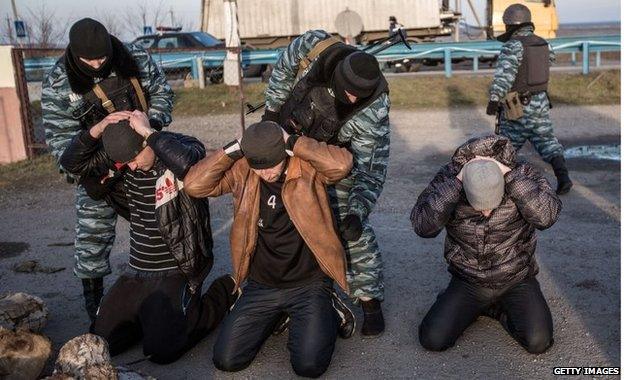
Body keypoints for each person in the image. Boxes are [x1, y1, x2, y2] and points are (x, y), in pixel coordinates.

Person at [59, 110, 237, 364]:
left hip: (176, 271)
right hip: (137, 272)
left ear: (147, 140)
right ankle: (150, 317)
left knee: (164, 350)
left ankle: (226, 290)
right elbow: (71, 164)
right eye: (125, 163)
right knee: (101, 342)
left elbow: (189, 162)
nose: (130, 167)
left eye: (134, 158)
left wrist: (148, 132)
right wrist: (97, 129)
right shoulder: (124, 161)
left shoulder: (181, 147)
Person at [183, 121, 355, 377]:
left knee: (308, 366)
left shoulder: (305, 166)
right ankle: (278, 316)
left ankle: (329, 306)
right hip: (262, 286)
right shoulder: (244, 170)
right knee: (227, 360)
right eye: (259, 167)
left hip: (308, 284)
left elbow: (342, 164)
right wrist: (233, 149)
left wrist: (294, 142)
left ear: (283, 153)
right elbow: (194, 185)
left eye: (272, 165)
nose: (266, 173)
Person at [42, 18, 174, 323]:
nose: (97, 64)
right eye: (88, 60)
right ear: (74, 55)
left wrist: (147, 127)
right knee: (91, 237)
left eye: (102, 57)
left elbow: (163, 95)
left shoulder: (134, 57)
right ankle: (96, 306)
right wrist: (90, 168)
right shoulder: (58, 82)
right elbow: (63, 148)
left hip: (143, 155)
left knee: (166, 224)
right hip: (97, 169)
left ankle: (175, 287)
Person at [262, 29, 390, 336]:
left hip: (331, 156)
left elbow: (370, 168)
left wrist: (359, 210)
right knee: (275, 217)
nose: (354, 98)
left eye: (361, 94)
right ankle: (282, 294)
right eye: (349, 92)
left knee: (349, 226)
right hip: (284, 134)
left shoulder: (372, 109)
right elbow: (282, 70)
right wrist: (271, 113)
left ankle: (370, 301)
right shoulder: (315, 46)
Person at [411, 135, 561, 354]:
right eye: (479, 206)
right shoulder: (449, 178)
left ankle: (497, 309)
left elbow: (547, 217)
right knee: (433, 339)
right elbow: (423, 227)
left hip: (516, 278)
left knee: (538, 342)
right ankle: (473, 306)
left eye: (492, 205)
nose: (486, 212)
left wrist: (511, 177)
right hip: (468, 280)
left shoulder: (522, 173)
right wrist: (456, 183)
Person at [486, 4, 572, 195]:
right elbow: (549, 61)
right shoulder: (543, 43)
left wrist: (494, 99)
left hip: (518, 105)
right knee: (547, 141)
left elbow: (504, 76)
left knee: (507, 144)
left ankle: (496, 188)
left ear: (510, 24)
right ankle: (564, 178)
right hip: (540, 102)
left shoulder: (513, 46)